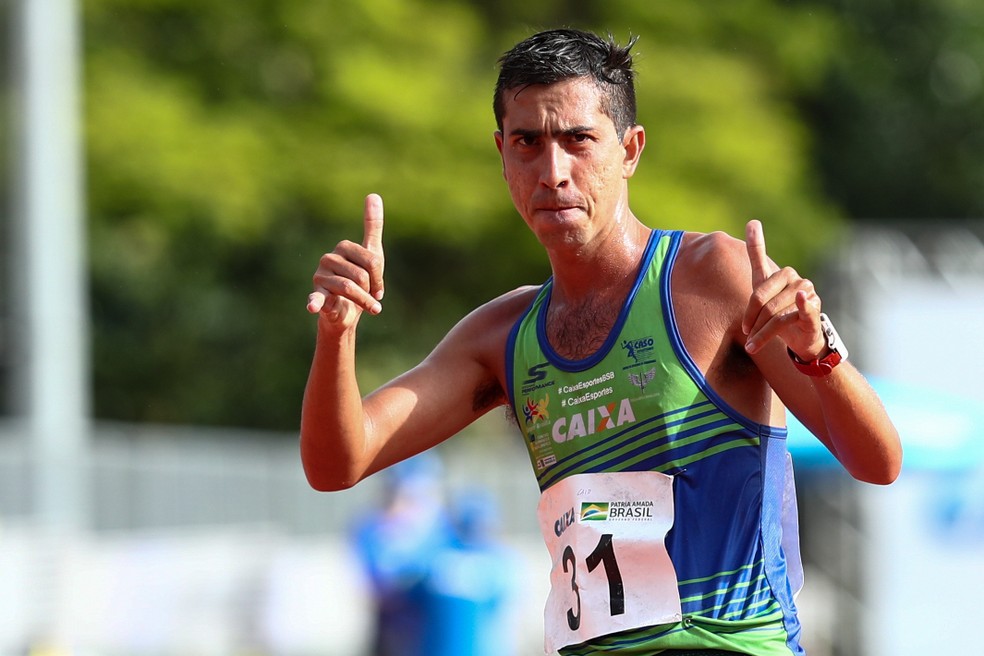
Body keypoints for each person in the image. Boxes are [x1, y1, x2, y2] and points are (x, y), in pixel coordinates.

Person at [301, 28, 902, 656]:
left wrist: (820, 356)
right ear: (502, 153)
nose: (553, 172)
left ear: (630, 149)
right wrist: (336, 335)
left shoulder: (712, 279)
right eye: (528, 143)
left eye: (578, 140)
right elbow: (336, 464)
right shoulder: (501, 336)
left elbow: (877, 462)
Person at [349, 453, 452, 656]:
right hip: (391, 626)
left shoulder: (440, 524)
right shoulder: (371, 527)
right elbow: (378, 586)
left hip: (429, 622)